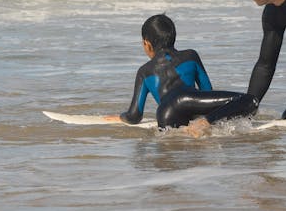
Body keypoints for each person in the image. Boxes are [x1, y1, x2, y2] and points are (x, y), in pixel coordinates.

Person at [103, 14, 258, 137]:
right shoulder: (191, 56)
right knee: (250, 101)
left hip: (165, 114)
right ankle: (205, 123)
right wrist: (214, 117)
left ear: (147, 43)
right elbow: (207, 91)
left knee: (176, 151)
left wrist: (121, 117)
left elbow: (135, 116)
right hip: (190, 100)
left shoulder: (144, 71)